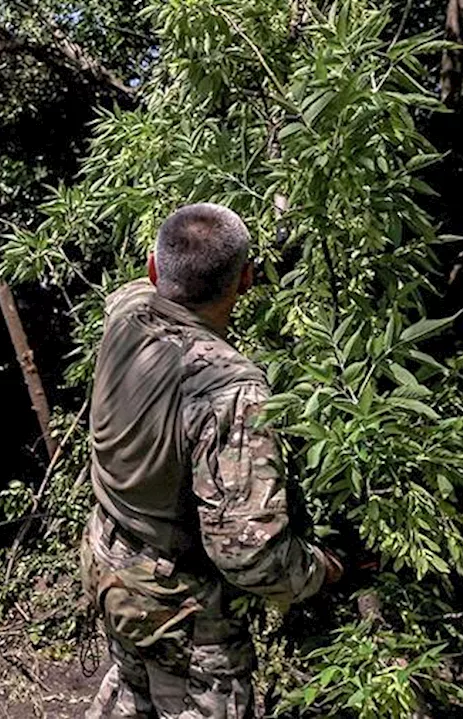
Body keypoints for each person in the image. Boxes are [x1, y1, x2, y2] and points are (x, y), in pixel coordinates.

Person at [81, 203, 342, 718]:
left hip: (107, 555)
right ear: (246, 278)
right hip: (177, 600)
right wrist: (323, 570)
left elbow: (166, 274)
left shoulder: (126, 311)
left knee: (133, 688)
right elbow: (248, 556)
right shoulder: (232, 390)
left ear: (154, 271)